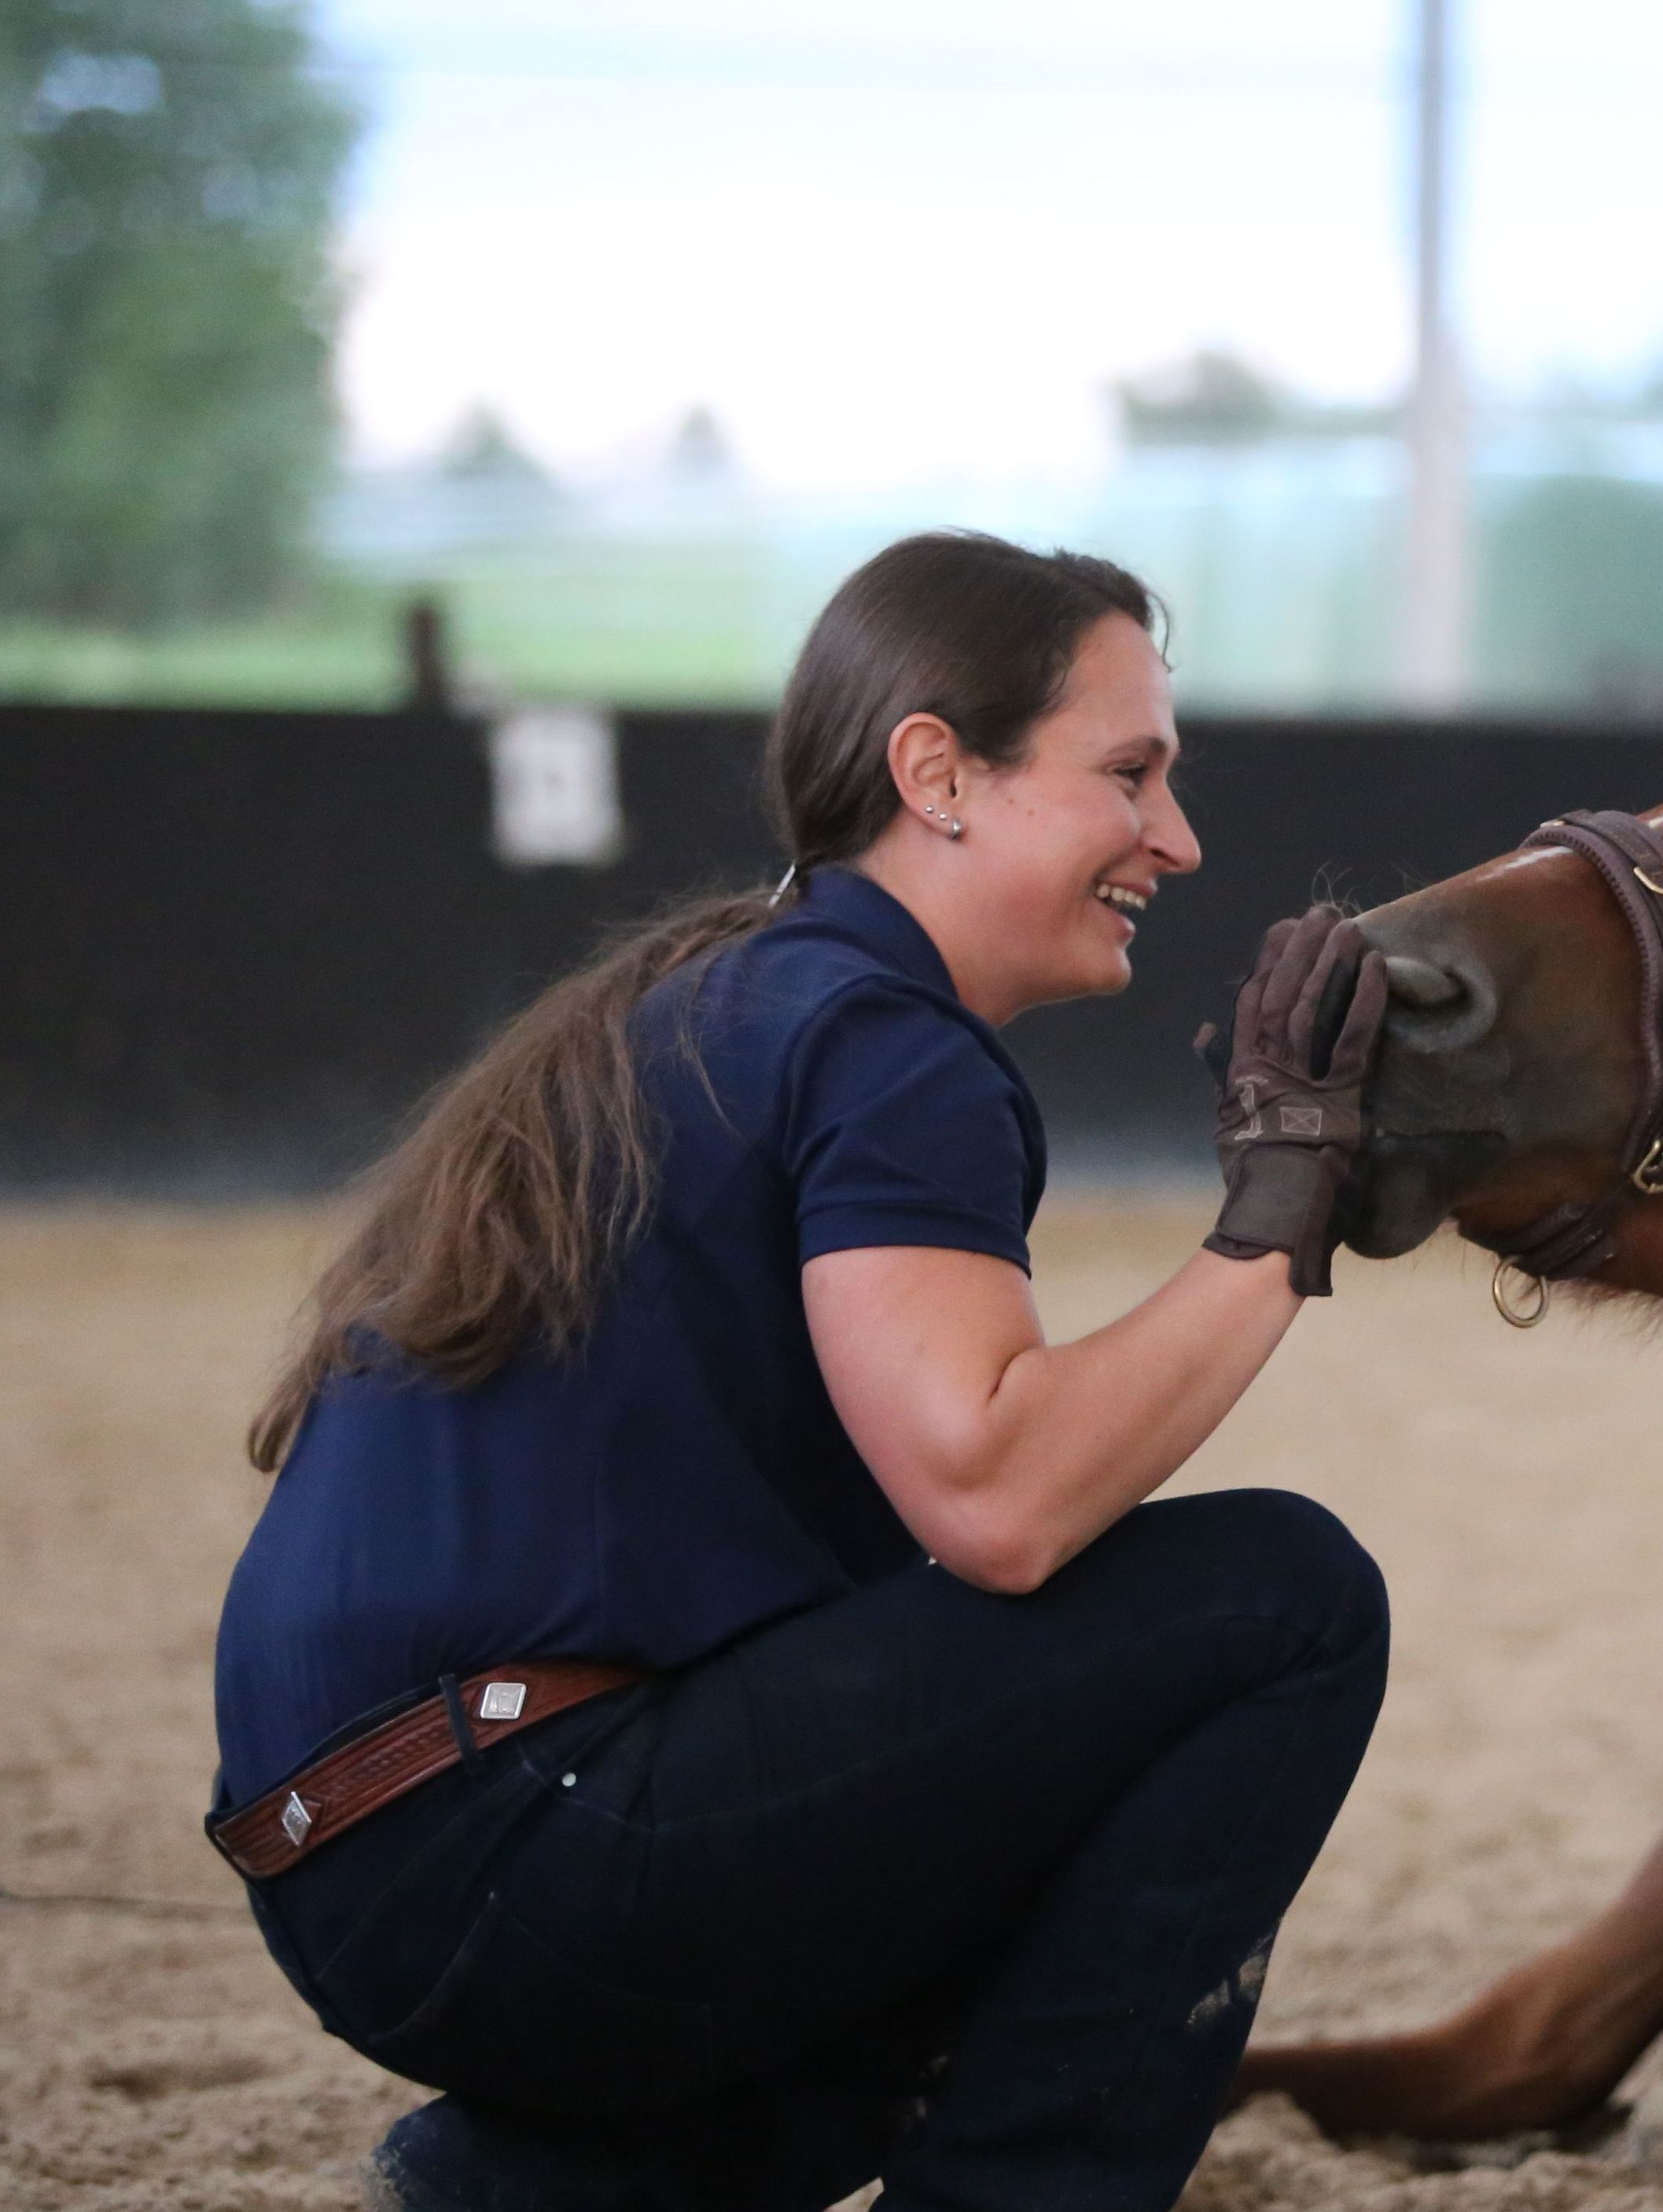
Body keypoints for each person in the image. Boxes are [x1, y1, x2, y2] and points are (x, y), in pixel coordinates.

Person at [212, 531, 1393, 2211]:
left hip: (375, 1866)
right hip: (518, 1854)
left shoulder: (722, 995)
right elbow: (996, 1498)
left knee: (1026, 1848)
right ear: (938, 772)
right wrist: (1286, 1208)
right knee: (1286, 1599)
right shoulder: (881, 1039)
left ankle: (528, 2188)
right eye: (1128, 773)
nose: (1177, 839)